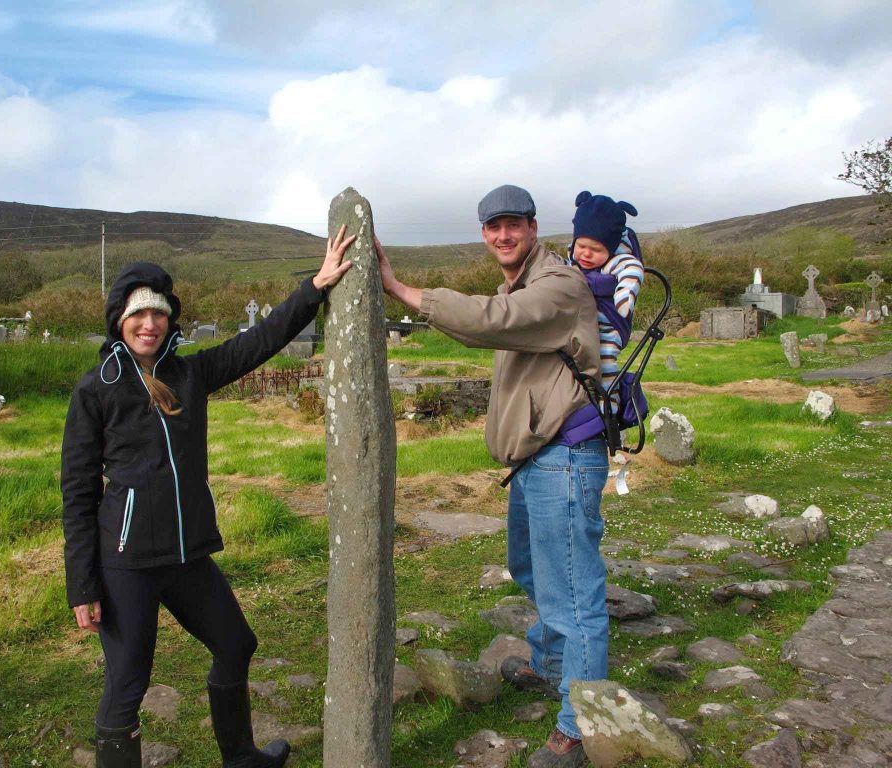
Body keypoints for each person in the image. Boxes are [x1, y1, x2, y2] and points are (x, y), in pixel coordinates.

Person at [61, 228, 355, 768]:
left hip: (186, 555)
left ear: (169, 319)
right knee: (128, 684)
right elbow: (77, 492)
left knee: (236, 644)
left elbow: (257, 342)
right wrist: (82, 584)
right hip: (125, 563)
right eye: (137, 315)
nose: (149, 324)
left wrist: (314, 286)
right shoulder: (95, 388)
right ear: (119, 322)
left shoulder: (189, 374)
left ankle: (240, 759)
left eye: (158, 313)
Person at [377, 185, 606, 768]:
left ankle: (579, 727)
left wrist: (404, 291)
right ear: (484, 234)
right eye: (492, 227)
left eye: (513, 225)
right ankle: (552, 664)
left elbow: (492, 320)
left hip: (565, 456)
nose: (503, 235)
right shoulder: (522, 281)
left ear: (533, 227)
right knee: (532, 567)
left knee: (573, 594)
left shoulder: (556, 286)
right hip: (536, 459)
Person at [566, 191, 644, 413]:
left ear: (609, 248)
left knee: (606, 363)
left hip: (608, 325)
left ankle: (609, 408)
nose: (586, 254)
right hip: (580, 325)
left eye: (596, 250)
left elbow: (633, 271)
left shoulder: (617, 260)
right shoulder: (572, 261)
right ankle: (582, 404)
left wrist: (624, 294)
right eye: (581, 246)